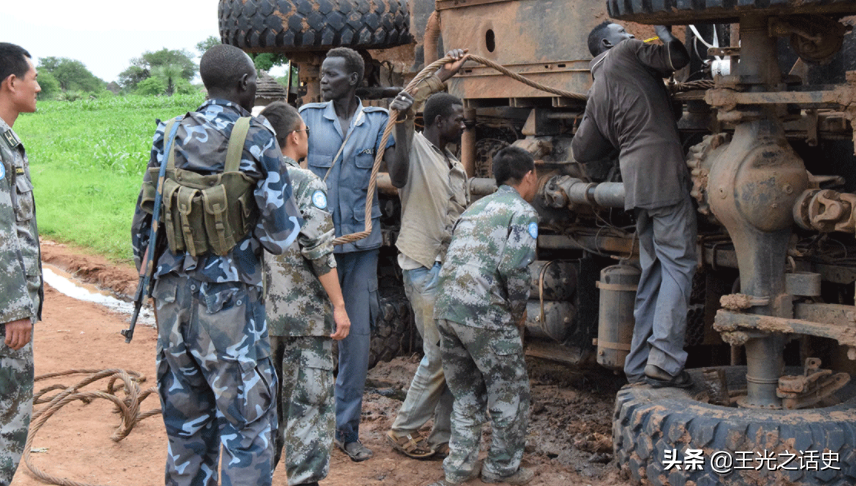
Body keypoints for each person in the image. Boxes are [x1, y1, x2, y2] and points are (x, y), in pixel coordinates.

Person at [131, 44, 302, 486]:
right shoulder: (258, 137)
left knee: (187, 434)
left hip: (172, 305)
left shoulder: (168, 133)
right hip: (231, 312)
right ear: (246, 85)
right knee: (247, 432)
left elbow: (144, 229)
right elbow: (281, 238)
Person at [570, 21, 697, 388]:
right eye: (625, 31)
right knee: (678, 263)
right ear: (610, 42)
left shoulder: (597, 90)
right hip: (663, 173)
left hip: (636, 183)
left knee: (654, 271)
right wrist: (667, 30)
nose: (633, 36)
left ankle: (639, 364)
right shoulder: (626, 53)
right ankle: (666, 359)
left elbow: (582, 150)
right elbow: (676, 57)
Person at [299, 46, 408, 462]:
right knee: (309, 340)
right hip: (316, 252)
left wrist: (408, 125)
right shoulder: (306, 121)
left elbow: (399, 177)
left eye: (332, 74)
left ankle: (347, 431)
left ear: (354, 80)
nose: (323, 79)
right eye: (322, 73)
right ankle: (307, 427)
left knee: (357, 344)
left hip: (361, 251)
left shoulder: (380, 123)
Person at [431, 147, 539, 486]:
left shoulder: (474, 208)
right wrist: (518, 312)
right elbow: (513, 267)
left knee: (466, 394)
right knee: (510, 392)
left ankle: (458, 470)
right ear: (530, 177)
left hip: (447, 310)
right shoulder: (522, 212)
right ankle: (501, 469)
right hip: (485, 315)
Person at [259, 101, 351, 486]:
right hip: (305, 318)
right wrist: (339, 306)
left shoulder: (251, 178)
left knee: (263, 408)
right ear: (294, 136)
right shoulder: (305, 183)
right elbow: (318, 251)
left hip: (261, 317)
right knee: (308, 407)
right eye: (306, 132)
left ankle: (255, 475)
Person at [384, 49, 470, 460]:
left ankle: (441, 438)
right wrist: (440, 76)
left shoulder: (454, 165)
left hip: (446, 269)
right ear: (439, 123)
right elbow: (405, 105)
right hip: (423, 267)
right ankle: (403, 430)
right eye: (458, 119)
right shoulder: (414, 148)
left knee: (453, 358)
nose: (463, 124)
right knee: (440, 354)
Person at [0, 42, 41, 486]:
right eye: (32, 78)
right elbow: (1, 233)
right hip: (3, 312)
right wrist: (14, 309)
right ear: (11, 83)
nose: (38, 86)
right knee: (8, 417)